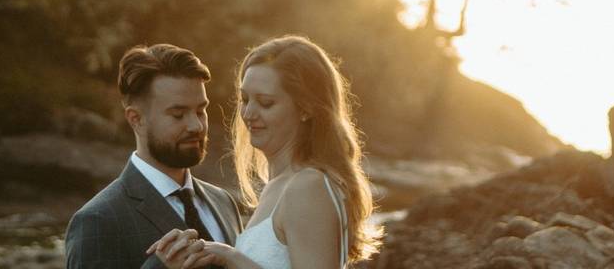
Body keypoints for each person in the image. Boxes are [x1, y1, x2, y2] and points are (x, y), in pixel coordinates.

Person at [148, 35, 381, 268]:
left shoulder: (308, 186)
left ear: (306, 108)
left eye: (266, 103)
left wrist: (231, 257)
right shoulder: (278, 186)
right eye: (245, 99)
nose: (248, 113)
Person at [65, 44, 243, 269]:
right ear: (136, 119)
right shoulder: (98, 221)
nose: (196, 125)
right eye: (178, 115)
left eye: (200, 111)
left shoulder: (224, 202)